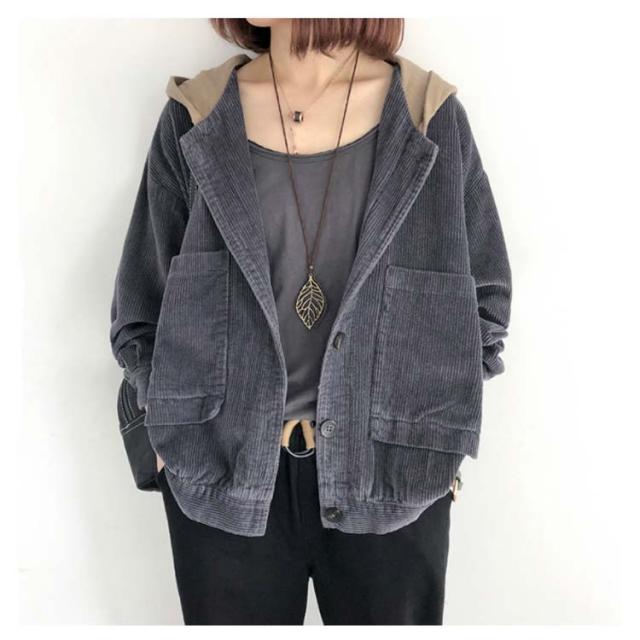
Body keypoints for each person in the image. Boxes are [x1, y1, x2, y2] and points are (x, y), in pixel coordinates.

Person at [109, 18, 512, 625]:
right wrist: (169, 454)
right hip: (221, 480)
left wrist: (432, 435)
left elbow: (484, 303)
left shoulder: (428, 119)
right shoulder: (197, 118)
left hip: (392, 479)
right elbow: (141, 313)